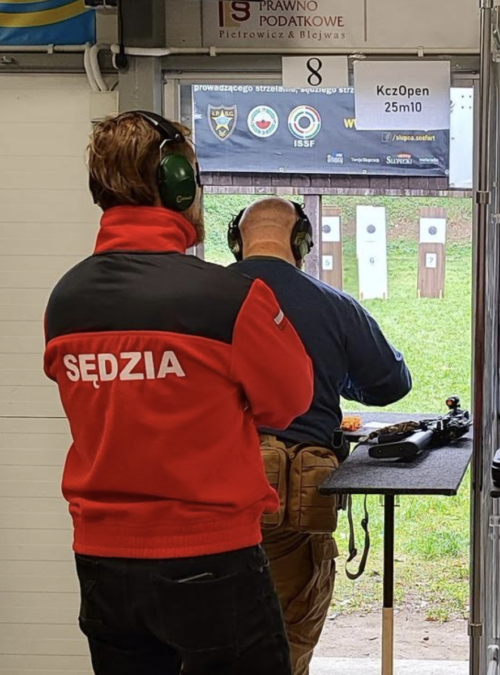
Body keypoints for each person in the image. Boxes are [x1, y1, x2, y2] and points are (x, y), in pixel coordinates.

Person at [42, 112, 314, 674]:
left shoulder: (65, 299)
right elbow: (289, 401)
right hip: (211, 560)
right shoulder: (228, 297)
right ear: (178, 183)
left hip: (101, 563)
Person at [229, 197, 412, 675]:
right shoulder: (334, 305)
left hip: (208, 501)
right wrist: (334, 378)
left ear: (236, 243)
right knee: (285, 647)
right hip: (289, 501)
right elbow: (392, 382)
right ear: (302, 243)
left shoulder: (200, 297)